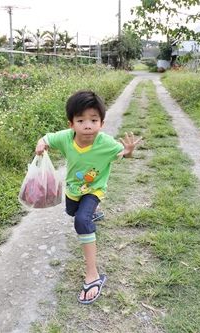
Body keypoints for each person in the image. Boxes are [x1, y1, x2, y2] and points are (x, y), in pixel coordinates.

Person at [35, 89, 142, 304]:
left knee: (81, 221)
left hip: (94, 190)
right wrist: (41, 144)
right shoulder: (65, 139)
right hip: (73, 189)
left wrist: (129, 150)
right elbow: (46, 138)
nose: (87, 126)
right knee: (71, 211)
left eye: (94, 120)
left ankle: (93, 274)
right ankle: (92, 212)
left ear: (101, 123)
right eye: (81, 120)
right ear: (71, 124)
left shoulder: (106, 143)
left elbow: (124, 154)